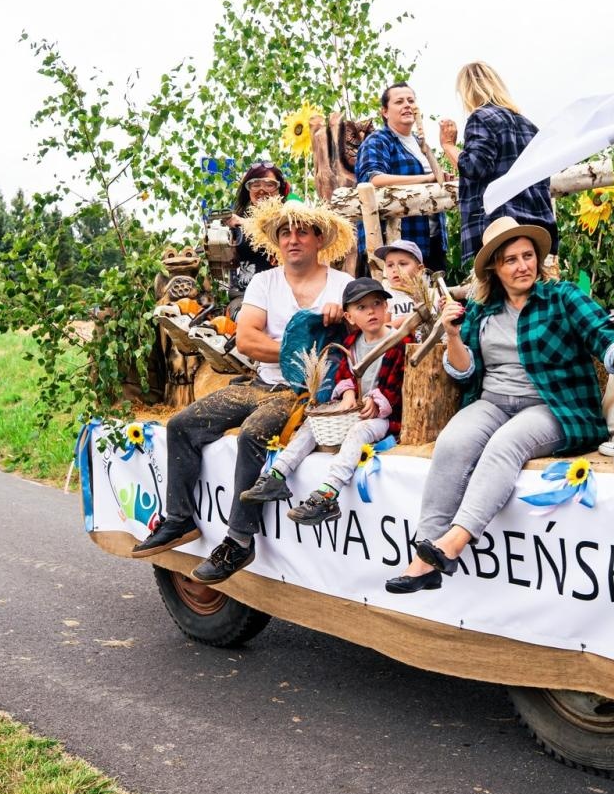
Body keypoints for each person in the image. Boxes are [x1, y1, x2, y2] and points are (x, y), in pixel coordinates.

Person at [384, 218, 614, 594]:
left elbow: (604, 335)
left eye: (528, 256)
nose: (522, 265)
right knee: (453, 443)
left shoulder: (562, 297)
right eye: (511, 259)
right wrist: (454, 336)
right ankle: (425, 557)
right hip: (493, 400)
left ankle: (453, 544)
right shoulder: (480, 310)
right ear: (496, 267)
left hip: (552, 405)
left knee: (505, 444)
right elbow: (464, 372)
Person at [132, 199, 354, 583]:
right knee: (183, 424)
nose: (293, 239)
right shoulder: (266, 282)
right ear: (277, 241)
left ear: (319, 238)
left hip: (308, 392)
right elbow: (248, 340)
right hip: (261, 382)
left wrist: (339, 322)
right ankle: (179, 519)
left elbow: (357, 335)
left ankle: (238, 541)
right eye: (285, 233)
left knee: (255, 433)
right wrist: (300, 349)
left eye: (302, 231)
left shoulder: (343, 285)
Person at [241, 276, 408, 527]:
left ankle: (329, 493)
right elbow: (344, 374)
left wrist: (377, 400)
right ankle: (277, 474)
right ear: (349, 317)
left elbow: (399, 382)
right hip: (354, 408)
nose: (371, 311)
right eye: (361, 308)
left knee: (358, 432)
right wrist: (348, 392)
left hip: (381, 418)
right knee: (312, 425)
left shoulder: (398, 342)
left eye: (376, 304)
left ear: (386, 308)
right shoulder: (351, 344)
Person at [437, 61, 558, 263]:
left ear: (467, 91)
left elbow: (475, 166)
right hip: (536, 228)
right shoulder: (529, 126)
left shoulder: (481, 117)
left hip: (501, 227)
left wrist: (449, 145)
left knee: (497, 293)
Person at [354, 83, 448, 273]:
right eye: (399, 101)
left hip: (431, 241)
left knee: (434, 299)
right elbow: (372, 180)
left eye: (411, 101)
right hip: (394, 247)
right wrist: (425, 179)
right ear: (385, 112)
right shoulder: (378, 140)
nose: (407, 105)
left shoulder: (421, 145)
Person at [226, 161, 291, 298]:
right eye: (255, 184)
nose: (262, 190)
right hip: (245, 295)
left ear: (281, 189)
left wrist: (246, 224)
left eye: (269, 184)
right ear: (248, 190)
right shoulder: (236, 222)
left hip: (284, 294)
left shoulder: (291, 217)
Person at [374, 239, 431, 337]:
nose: (395, 270)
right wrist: (408, 320)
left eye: (403, 264)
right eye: (390, 265)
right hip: (400, 349)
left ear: (420, 269)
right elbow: (382, 330)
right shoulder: (387, 297)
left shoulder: (431, 294)